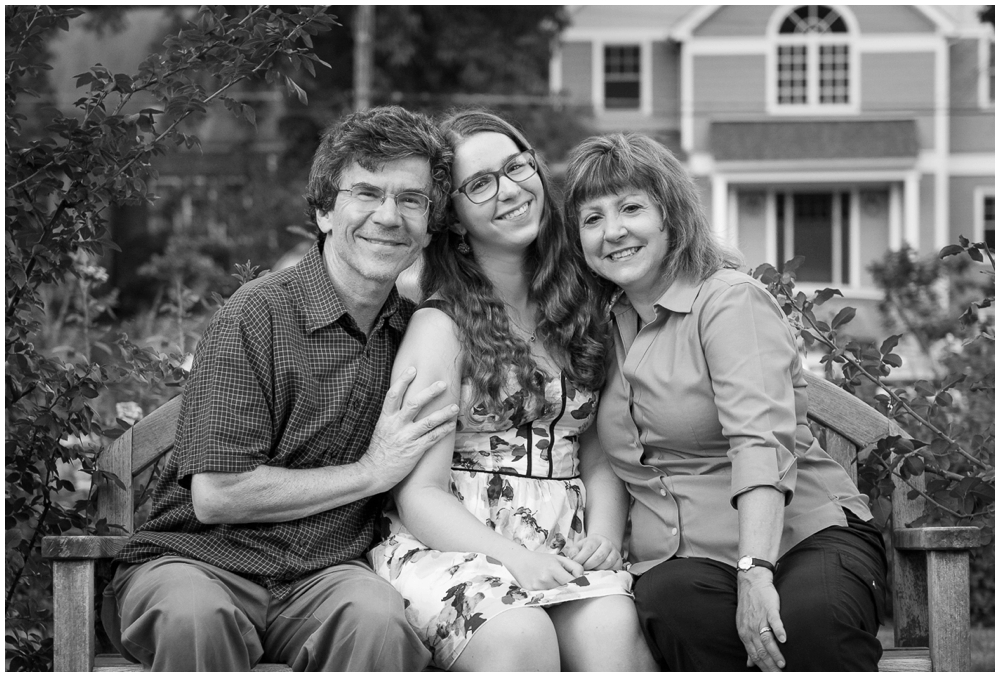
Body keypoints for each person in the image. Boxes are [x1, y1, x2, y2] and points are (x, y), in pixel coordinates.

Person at [103, 106, 461, 671]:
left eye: (411, 199)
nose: (389, 217)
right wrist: (372, 471)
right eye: (366, 193)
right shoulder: (256, 316)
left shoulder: (414, 332)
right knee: (196, 619)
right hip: (197, 562)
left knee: (381, 623)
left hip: (323, 577)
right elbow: (218, 495)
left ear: (429, 223)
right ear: (324, 211)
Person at [562, 132, 888, 672]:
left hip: (798, 536)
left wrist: (755, 568)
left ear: (670, 216)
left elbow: (759, 439)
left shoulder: (728, 300)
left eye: (631, 208)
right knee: (671, 603)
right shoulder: (599, 329)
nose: (613, 231)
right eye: (592, 219)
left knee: (808, 620)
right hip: (685, 562)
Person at [367, 111, 658, 672]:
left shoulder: (581, 305)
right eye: (480, 184)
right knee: (521, 636)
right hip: (459, 544)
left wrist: (600, 534)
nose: (510, 190)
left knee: (612, 630)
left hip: (563, 539)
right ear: (451, 218)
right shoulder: (441, 326)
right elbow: (419, 494)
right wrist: (512, 560)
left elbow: (597, 449)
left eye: (516, 167)